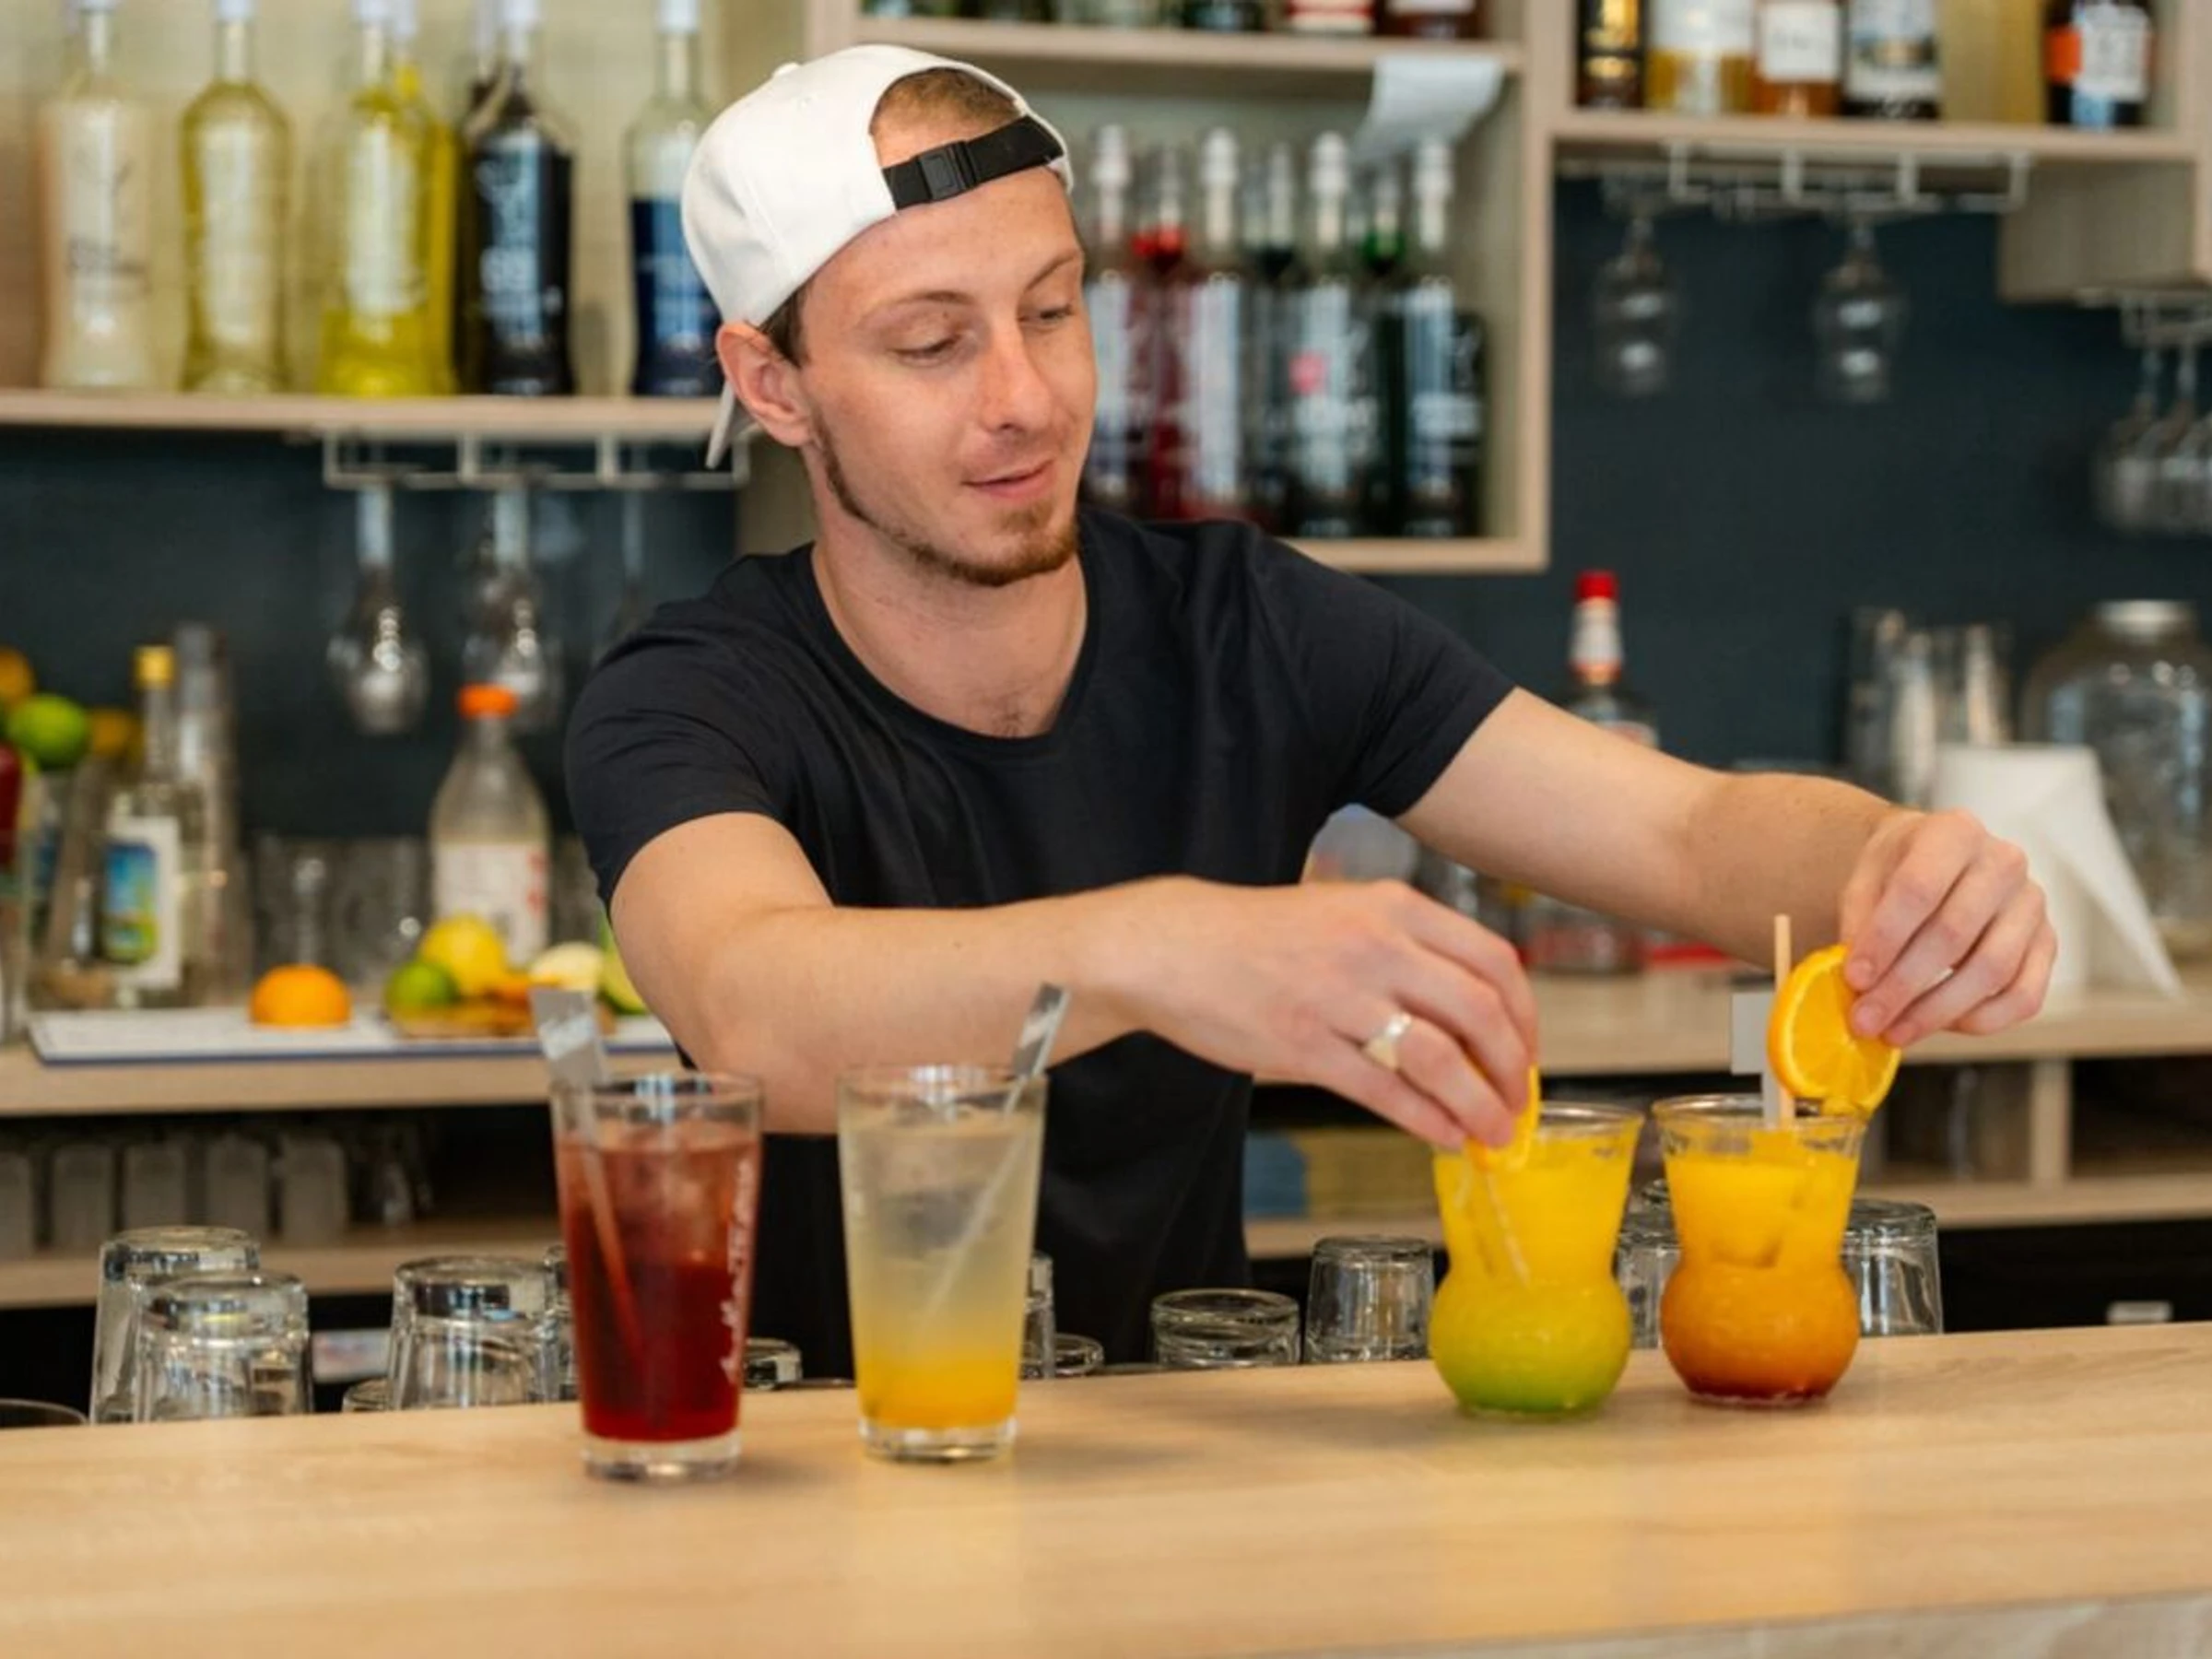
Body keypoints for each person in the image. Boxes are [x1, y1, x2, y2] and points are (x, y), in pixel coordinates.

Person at [567, 46, 2053, 1367]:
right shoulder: (690, 696)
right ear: (774, 383)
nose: (1026, 396)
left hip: (1183, 1458)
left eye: (1054, 309)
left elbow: (1690, 836)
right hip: (809, 1472)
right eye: (931, 343)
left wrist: (1888, 867)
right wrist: (1159, 949)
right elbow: (754, 1007)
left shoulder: (1246, 628)